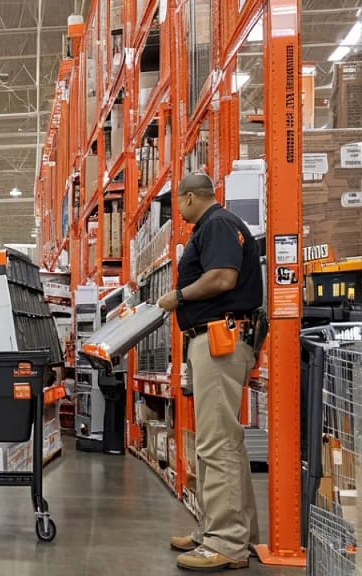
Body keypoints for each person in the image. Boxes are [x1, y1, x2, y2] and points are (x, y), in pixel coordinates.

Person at [157, 173, 262, 571]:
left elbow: (222, 278)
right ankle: (229, 532)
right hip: (220, 339)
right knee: (225, 443)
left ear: (188, 198)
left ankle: (226, 542)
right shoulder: (221, 224)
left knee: (216, 444)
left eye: (177, 204)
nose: (176, 212)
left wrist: (179, 296)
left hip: (220, 339)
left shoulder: (216, 224)